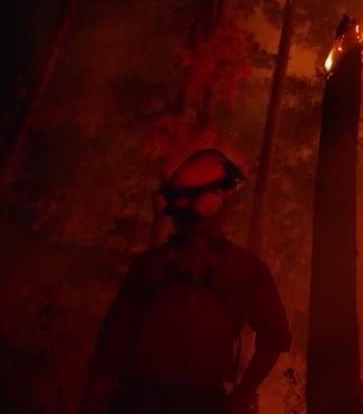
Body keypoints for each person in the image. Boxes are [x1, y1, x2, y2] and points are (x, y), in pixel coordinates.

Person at [79, 149, 291, 414]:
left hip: (155, 399)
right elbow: (110, 349)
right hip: (159, 398)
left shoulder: (239, 269)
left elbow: (109, 352)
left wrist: (243, 394)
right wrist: (242, 394)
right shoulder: (240, 268)